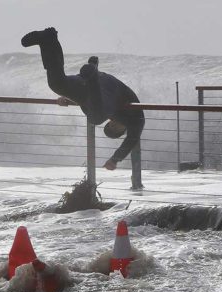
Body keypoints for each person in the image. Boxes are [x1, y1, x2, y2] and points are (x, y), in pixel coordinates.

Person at [21, 27, 144, 186]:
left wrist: (69, 97)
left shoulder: (107, 112)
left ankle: (48, 40)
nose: (112, 123)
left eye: (110, 126)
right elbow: (131, 140)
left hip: (87, 80)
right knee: (97, 117)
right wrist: (115, 159)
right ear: (122, 130)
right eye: (115, 129)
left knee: (57, 84)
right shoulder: (136, 119)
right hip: (108, 86)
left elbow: (86, 103)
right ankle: (92, 73)